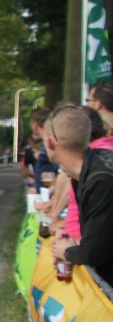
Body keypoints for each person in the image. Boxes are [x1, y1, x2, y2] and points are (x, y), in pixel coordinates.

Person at [45, 105, 113, 286]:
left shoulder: (100, 180)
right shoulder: (90, 167)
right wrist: (75, 247)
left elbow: (95, 253)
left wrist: (67, 252)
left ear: (50, 142)